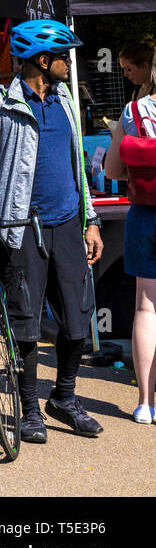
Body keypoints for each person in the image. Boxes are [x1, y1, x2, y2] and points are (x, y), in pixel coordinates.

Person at [0, 19, 104, 444]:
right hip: (23, 227)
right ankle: (29, 410)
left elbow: (76, 165)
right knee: (26, 323)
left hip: (67, 224)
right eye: (64, 56)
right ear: (43, 61)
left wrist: (91, 218)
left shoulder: (65, 98)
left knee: (77, 321)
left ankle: (63, 398)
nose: (69, 63)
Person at [104, 55, 156, 422]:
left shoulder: (134, 110)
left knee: (146, 308)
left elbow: (111, 169)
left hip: (145, 215)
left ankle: (144, 403)